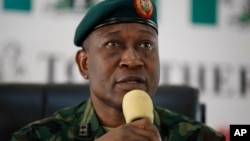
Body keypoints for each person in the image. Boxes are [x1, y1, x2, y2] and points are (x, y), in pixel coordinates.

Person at [11, 0, 225, 140]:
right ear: (84, 64)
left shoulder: (200, 137)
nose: (133, 60)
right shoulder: (35, 137)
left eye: (146, 45)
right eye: (113, 44)